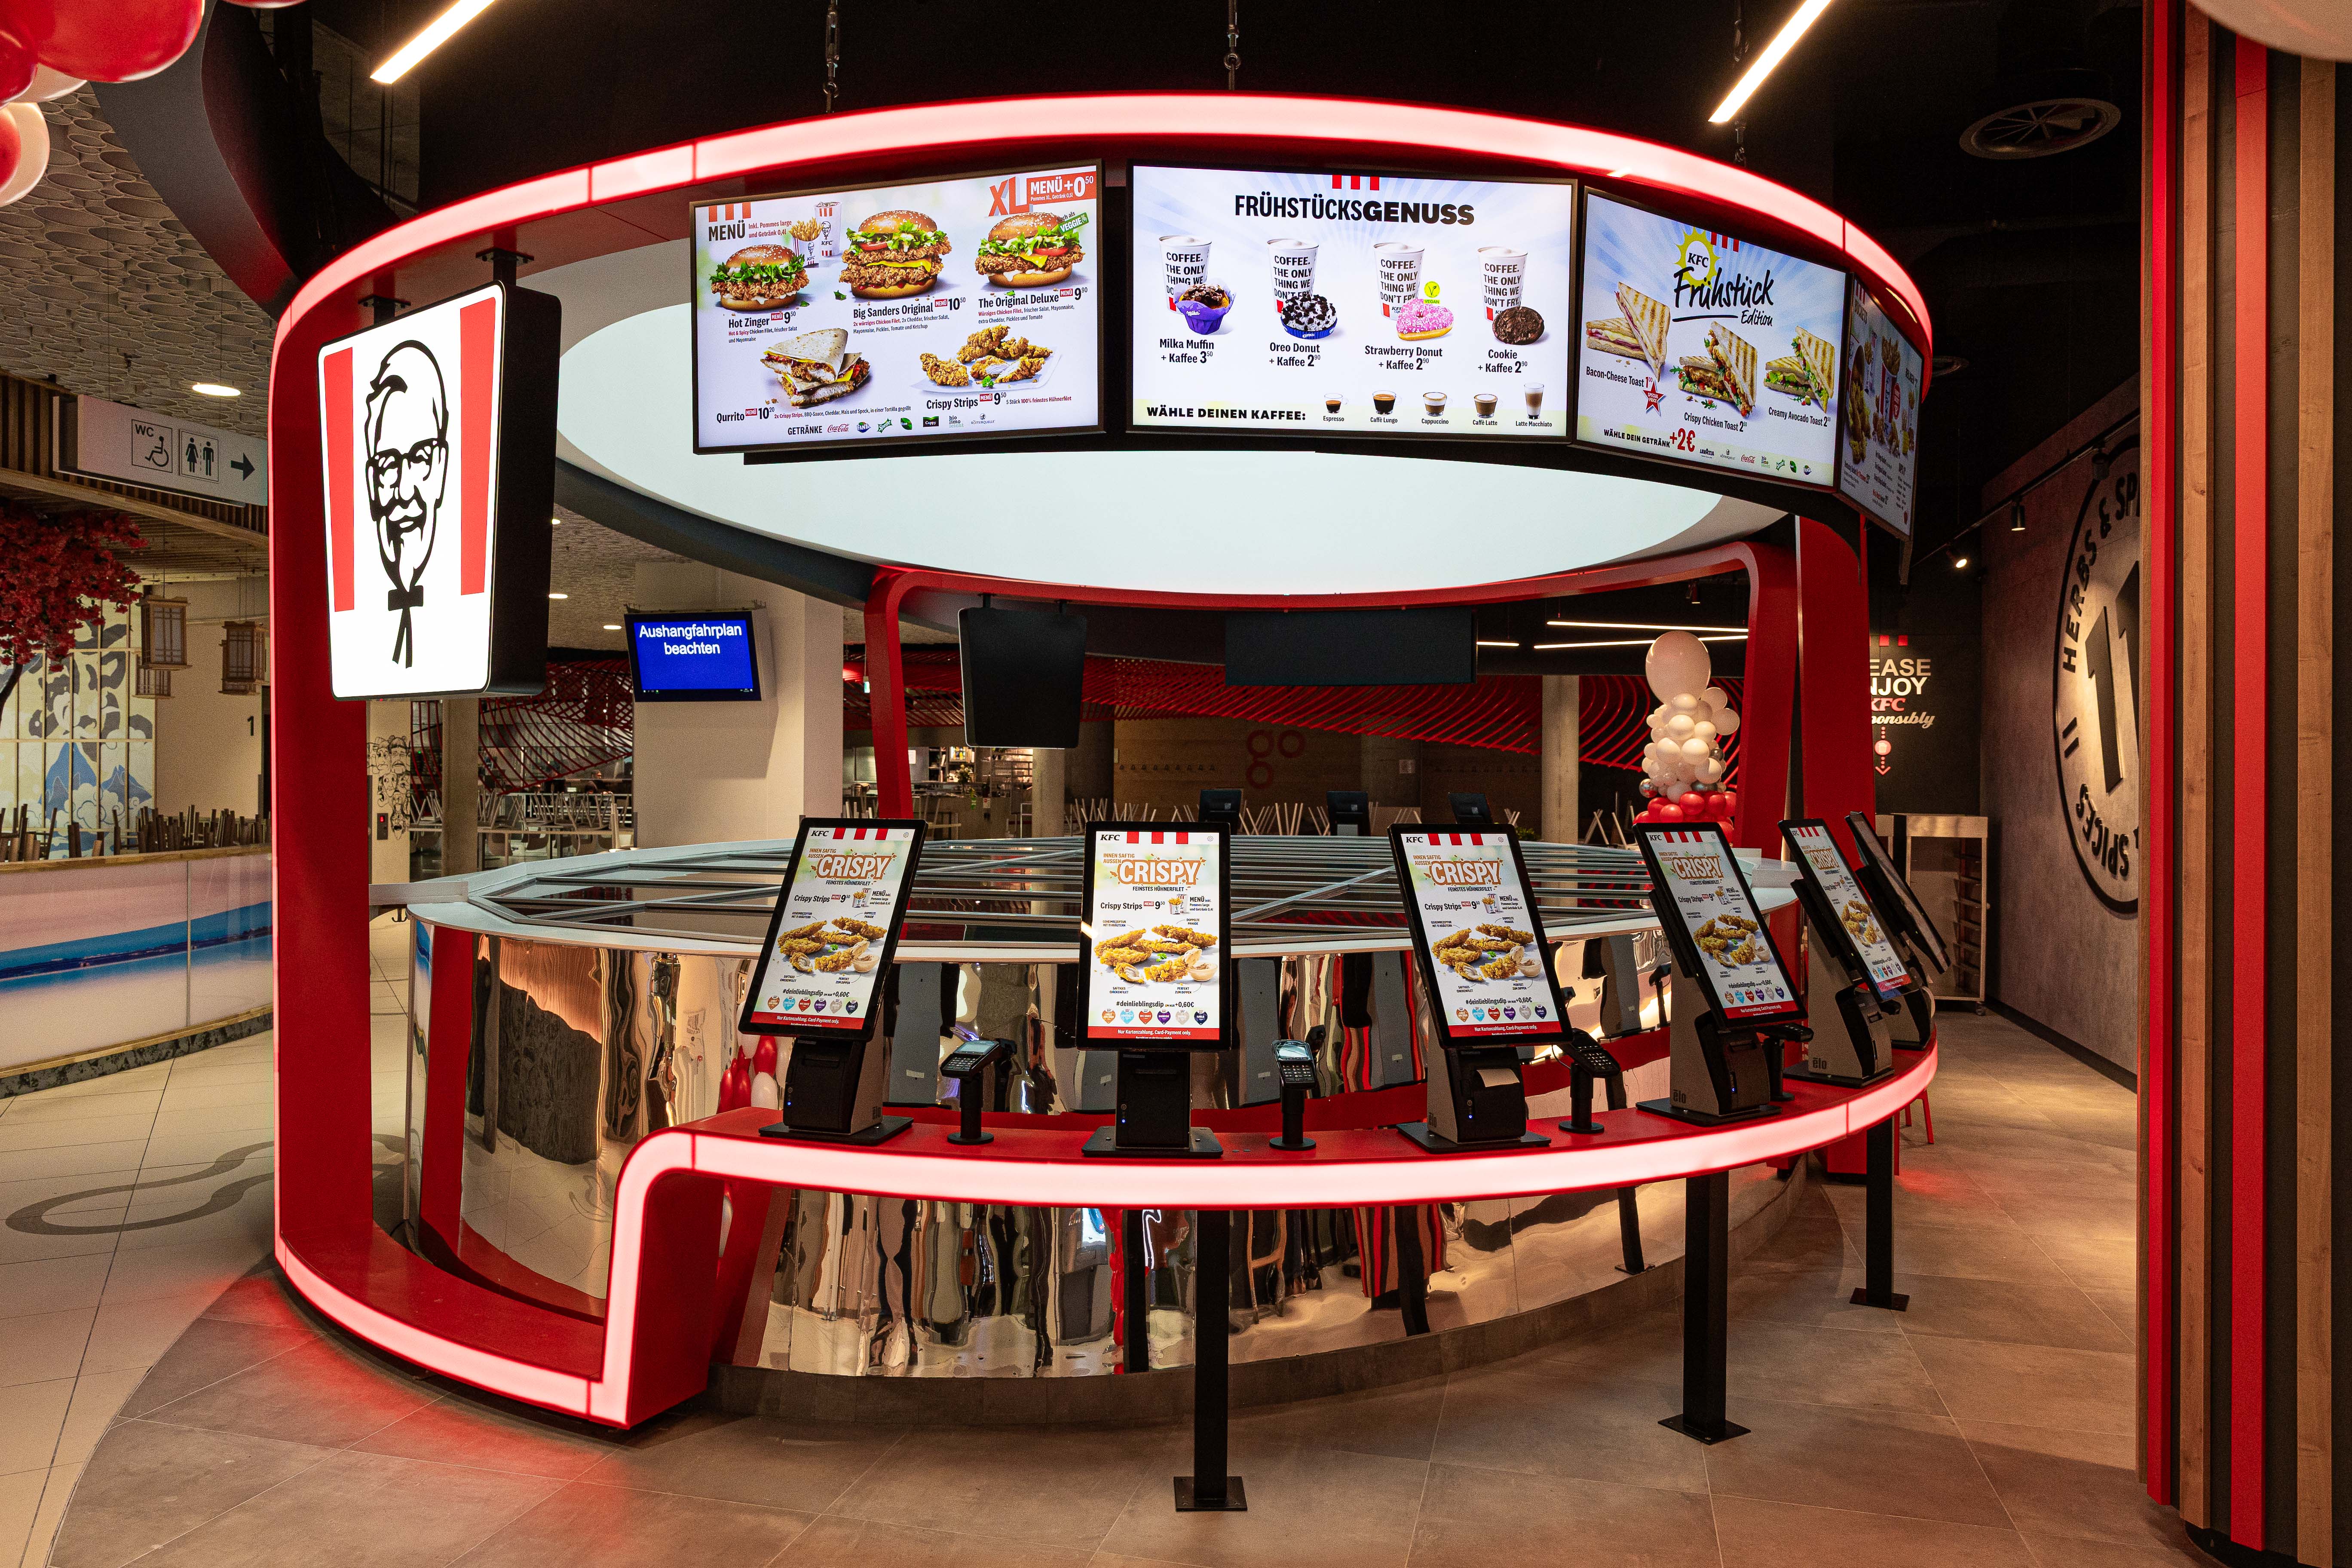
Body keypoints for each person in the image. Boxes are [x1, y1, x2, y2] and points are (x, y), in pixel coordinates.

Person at [363, 342, 450, 667]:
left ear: (440, 469)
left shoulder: (459, 623)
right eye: (388, 464)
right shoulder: (361, 639)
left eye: (420, 458)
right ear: (372, 483)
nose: (404, 490)